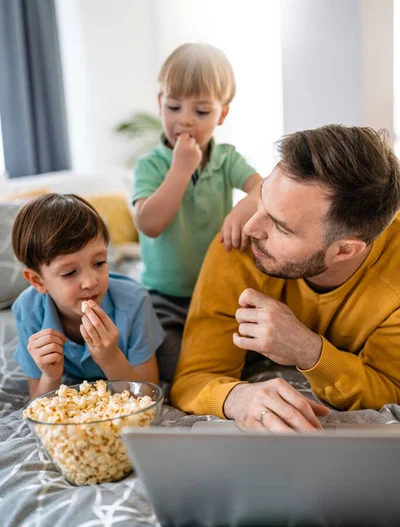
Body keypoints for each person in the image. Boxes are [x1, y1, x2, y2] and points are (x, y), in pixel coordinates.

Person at [170, 124, 400, 432]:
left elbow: (390, 389)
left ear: (345, 250)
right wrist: (238, 398)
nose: (251, 226)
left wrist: (309, 351)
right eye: (262, 197)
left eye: (281, 227)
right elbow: (192, 378)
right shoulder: (238, 244)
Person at [132, 42, 262, 383]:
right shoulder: (151, 164)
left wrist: (245, 206)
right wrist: (180, 170)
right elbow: (149, 224)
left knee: (246, 356)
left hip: (218, 292)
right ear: (161, 104)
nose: (185, 120)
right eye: (174, 106)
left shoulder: (227, 158)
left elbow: (265, 188)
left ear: (222, 114)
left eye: (201, 112)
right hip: (165, 298)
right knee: (173, 368)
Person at [11, 193, 163, 399]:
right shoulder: (27, 311)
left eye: (99, 262)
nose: (91, 282)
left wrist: (110, 358)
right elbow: (38, 404)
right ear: (38, 281)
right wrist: (50, 376)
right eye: (70, 273)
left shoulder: (134, 301)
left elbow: (148, 397)